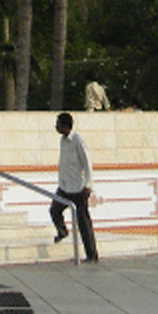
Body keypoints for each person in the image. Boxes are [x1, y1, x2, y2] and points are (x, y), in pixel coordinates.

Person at [52, 112, 100, 262]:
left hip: (79, 188)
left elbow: (87, 163)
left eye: (58, 124)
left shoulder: (77, 140)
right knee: (54, 210)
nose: (56, 127)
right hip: (65, 187)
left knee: (83, 222)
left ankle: (92, 254)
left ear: (65, 126)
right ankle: (62, 231)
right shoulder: (63, 141)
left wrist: (88, 186)